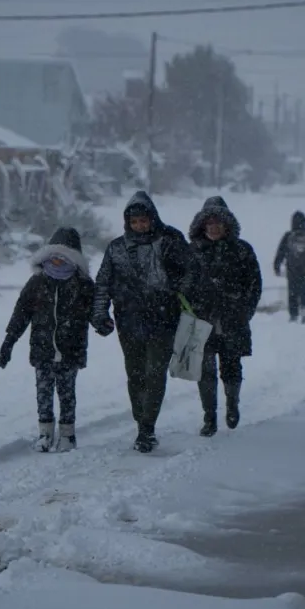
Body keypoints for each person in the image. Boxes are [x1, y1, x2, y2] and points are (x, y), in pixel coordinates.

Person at [91, 190, 200, 453]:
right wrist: (99, 314)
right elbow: (103, 282)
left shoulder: (169, 241)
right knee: (135, 374)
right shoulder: (117, 248)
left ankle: (147, 428)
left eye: (144, 220)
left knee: (155, 373)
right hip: (129, 320)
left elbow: (192, 271)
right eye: (135, 221)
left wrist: (177, 290)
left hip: (163, 317)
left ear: (153, 219)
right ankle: (141, 420)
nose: (140, 225)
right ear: (128, 222)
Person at [0, 227, 96, 453]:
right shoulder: (37, 282)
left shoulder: (83, 285)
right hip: (42, 349)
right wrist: (9, 341)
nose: (58, 261)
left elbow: (95, 312)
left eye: (64, 257)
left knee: (66, 393)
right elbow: (21, 313)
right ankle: (45, 433)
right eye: (54, 256)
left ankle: (67, 435)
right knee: (43, 392)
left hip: (70, 350)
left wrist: (103, 323)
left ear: (74, 259)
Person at [187, 196, 262, 437]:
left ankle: (232, 405)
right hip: (202, 320)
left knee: (231, 366)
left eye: (219, 222)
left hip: (233, 320)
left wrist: (244, 311)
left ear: (227, 224)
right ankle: (209, 417)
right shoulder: (192, 252)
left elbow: (254, 285)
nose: (214, 227)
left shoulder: (242, 250)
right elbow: (181, 285)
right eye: (209, 223)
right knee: (205, 369)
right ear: (202, 225)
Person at [273, 211, 305, 324]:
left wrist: (276, 265)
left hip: (291, 268)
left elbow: (280, 251)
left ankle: (293, 314)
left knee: (292, 291)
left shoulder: (288, 236)